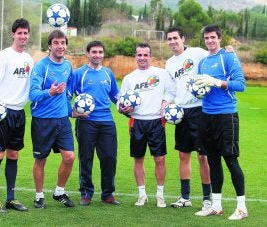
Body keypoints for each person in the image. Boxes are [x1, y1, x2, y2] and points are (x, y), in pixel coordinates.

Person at [194, 24, 247, 220]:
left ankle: (242, 208)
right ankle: (216, 206)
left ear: (220, 39)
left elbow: (241, 85)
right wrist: (197, 88)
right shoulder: (203, 62)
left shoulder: (228, 57)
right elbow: (200, 88)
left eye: (213, 38)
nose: (210, 41)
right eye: (207, 38)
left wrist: (217, 82)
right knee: (213, 161)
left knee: (231, 160)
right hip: (206, 116)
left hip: (226, 116)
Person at [0, 18, 33, 213]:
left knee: (13, 154)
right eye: (19, 33)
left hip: (19, 113)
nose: (23, 36)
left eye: (25, 33)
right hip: (1, 113)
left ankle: (10, 198)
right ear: (13, 34)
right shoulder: (3, 56)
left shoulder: (29, 59)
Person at [67, 40, 120, 206]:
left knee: (109, 158)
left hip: (107, 122)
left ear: (103, 54)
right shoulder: (78, 74)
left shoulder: (108, 73)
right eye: (94, 52)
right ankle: (86, 193)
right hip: (86, 123)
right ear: (87, 54)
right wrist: (71, 112)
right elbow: (67, 95)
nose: (97, 55)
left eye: (100, 52)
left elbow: (115, 96)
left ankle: (108, 194)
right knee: (86, 158)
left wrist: (124, 105)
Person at [164, 27, 212, 211]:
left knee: (203, 156)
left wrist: (228, 52)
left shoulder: (197, 53)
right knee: (183, 155)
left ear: (183, 38)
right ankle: (185, 197)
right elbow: (171, 90)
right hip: (181, 113)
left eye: (175, 38)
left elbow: (215, 57)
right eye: (169, 39)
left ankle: (207, 198)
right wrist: (166, 104)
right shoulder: (169, 63)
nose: (172, 42)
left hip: (200, 110)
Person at [118, 43, 170, 208]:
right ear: (135, 56)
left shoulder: (161, 74)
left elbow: (171, 91)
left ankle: (160, 195)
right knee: (138, 159)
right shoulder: (129, 78)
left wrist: (165, 102)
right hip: (137, 121)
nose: (142, 58)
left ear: (150, 56)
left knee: (160, 159)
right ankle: (142, 195)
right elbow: (120, 103)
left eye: (145, 55)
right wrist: (123, 108)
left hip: (156, 121)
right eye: (139, 55)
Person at [30, 29, 75, 209]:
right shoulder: (41, 67)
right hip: (43, 120)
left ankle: (59, 192)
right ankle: (39, 195)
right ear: (49, 46)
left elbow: (67, 90)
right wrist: (50, 92)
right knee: (41, 160)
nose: (60, 46)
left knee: (70, 157)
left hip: (62, 120)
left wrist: (70, 110)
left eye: (63, 43)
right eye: (56, 43)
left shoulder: (68, 66)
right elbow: (32, 94)